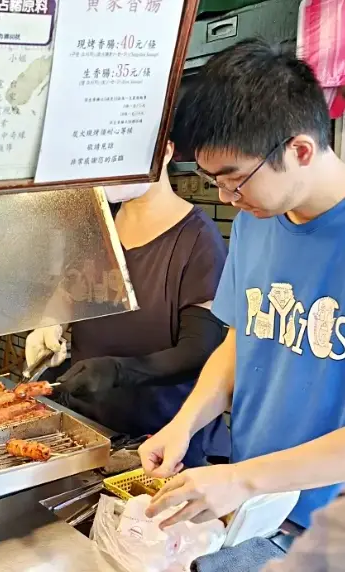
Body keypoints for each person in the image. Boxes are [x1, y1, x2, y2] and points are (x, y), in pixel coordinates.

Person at [140, 39, 345, 531]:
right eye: (215, 181)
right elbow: (240, 342)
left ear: (300, 150)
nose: (228, 198)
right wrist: (184, 424)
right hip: (254, 506)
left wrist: (244, 479)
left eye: (235, 179)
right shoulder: (257, 219)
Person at [25, 141, 230, 468]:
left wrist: (119, 371)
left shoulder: (197, 239)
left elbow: (198, 352)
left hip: (162, 441)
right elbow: (69, 290)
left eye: (118, 155)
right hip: (88, 429)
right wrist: (50, 322)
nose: (107, 172)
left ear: (165, 151)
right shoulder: (98, 225)